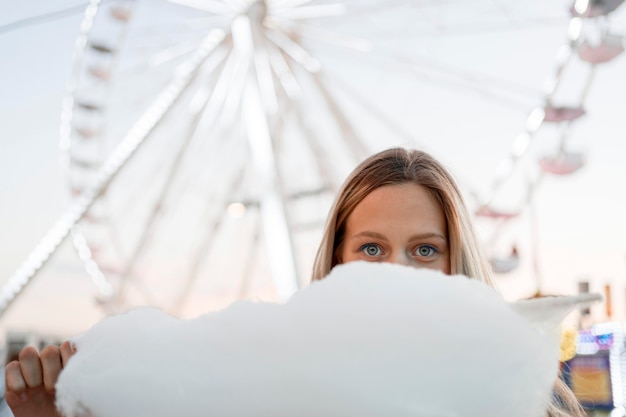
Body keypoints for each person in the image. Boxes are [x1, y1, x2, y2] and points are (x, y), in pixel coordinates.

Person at [4, 147, 584, 417]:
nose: (398, 271)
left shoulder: (529, 404)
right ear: (337, 263)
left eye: (425, 249)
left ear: (459, 262)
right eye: (372, 248)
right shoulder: (268, 392)